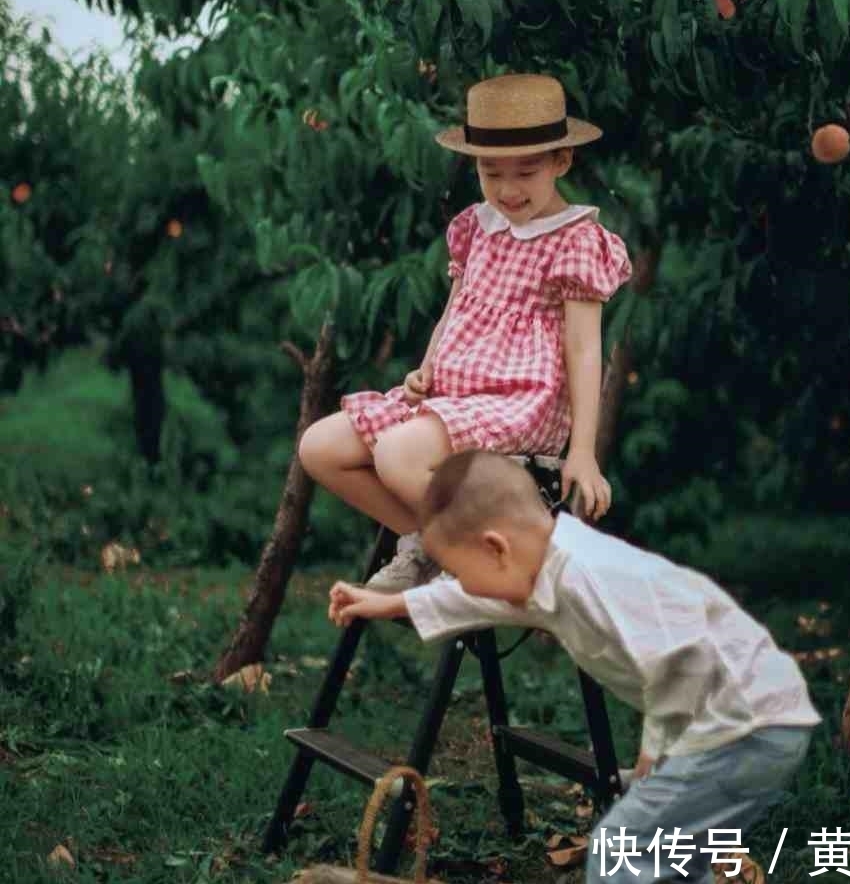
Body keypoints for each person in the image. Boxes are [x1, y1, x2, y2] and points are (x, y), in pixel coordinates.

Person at [328, 451, 821, 884]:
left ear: (497, 548)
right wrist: (380, 604)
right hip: (750, 720)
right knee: (671, 856)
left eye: (465, 570)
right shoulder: (540, 567)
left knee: (620, 850)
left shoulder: (587, 576)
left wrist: (655, 750)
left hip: (747, 722)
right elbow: (470, 601)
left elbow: (684, 654)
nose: (469, 585)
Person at [299, 73, 633, 591]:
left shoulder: (576, 239)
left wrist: (582, 451)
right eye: (490, 172)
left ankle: (518, 556)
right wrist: (427, 369)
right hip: (453, 398)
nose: (507, 189)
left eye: (526, 172)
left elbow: (586, 348)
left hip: (519, 404)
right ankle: (431, 543)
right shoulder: (479, 225)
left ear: (561, 162)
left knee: (396, 453)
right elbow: (457, 308)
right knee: (319, 446)